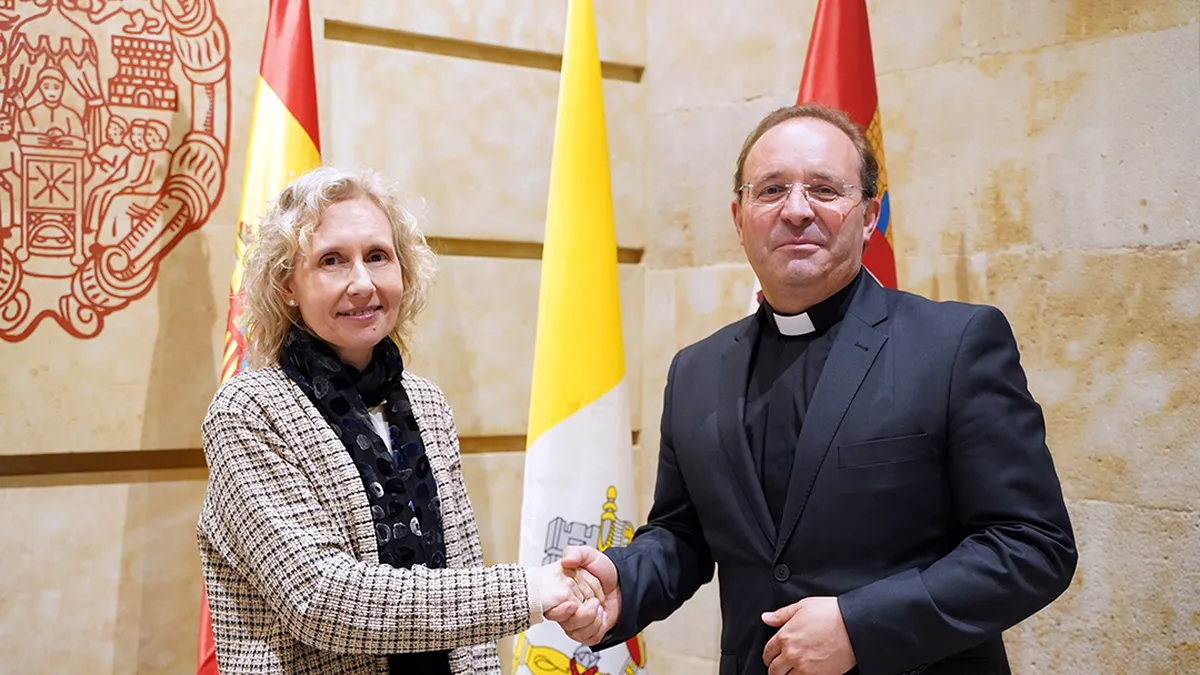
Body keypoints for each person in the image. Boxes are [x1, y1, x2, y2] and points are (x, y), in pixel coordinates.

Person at [551, 104, 1078, 675]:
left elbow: (1032, 544)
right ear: (740, 218)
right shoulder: (695, 371)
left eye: (825, 190)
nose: (796, 210)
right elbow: (683, 534)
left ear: (869, 215)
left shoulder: (954, 345)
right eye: (771, 190)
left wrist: (860, 626)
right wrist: (625, 584)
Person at [197, 167, 603, 675]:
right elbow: (320, 599)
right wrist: (532, 590)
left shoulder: (426, 404)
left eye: (377, 256)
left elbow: (463, 578)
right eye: (331, 261)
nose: (362, 284)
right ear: (286, 286)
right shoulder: (249, 411)